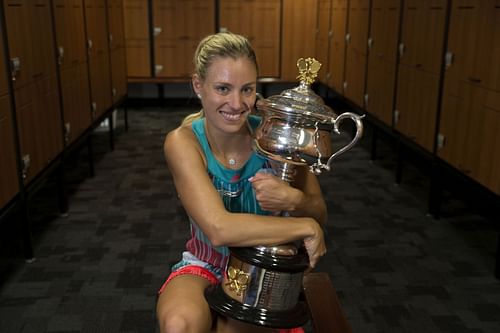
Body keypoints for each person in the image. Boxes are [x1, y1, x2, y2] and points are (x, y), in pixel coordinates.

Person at [156, 32, 327, 333]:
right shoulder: (183, 142)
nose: (236, 103)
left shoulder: (277, 137)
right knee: (178, 325)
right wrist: (306, 227)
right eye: (223, 88)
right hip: (206, 262)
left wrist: (296, 202)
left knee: (232, 330)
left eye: (247, 89)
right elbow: (219, 229)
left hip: (263, 269)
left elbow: (319, 210)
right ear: (198, 85)